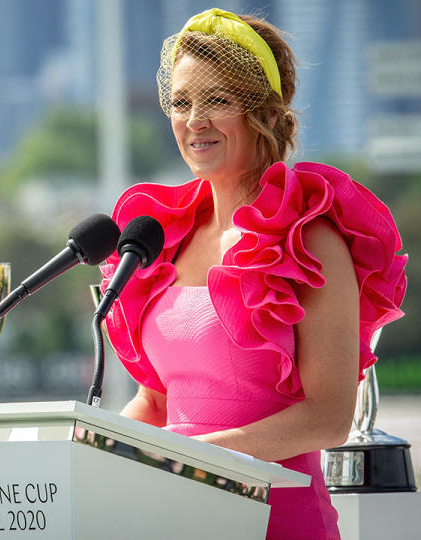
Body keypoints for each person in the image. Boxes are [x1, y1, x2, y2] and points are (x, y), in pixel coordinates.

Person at [99, 8, 407, 540]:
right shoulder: (163, 240)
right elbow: (156, 402)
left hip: (279, 524)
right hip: (174, 521)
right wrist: (90, 454)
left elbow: (329, 418)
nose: (194, 120)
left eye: (217, 100)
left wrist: (186, 458)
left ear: (261, 111)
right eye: (180, 102)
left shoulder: (310, 241)